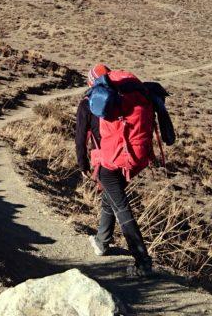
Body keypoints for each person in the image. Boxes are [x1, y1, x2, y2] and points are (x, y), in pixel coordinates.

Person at [75, 63, 155, 278]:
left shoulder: (88, 103)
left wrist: (82, 164)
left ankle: (142, 262)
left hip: (107, 162)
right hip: (130, 158)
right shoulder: (124, 98)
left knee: (121, 207)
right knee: (110, 198)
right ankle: (101, 242)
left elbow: (80, 137)